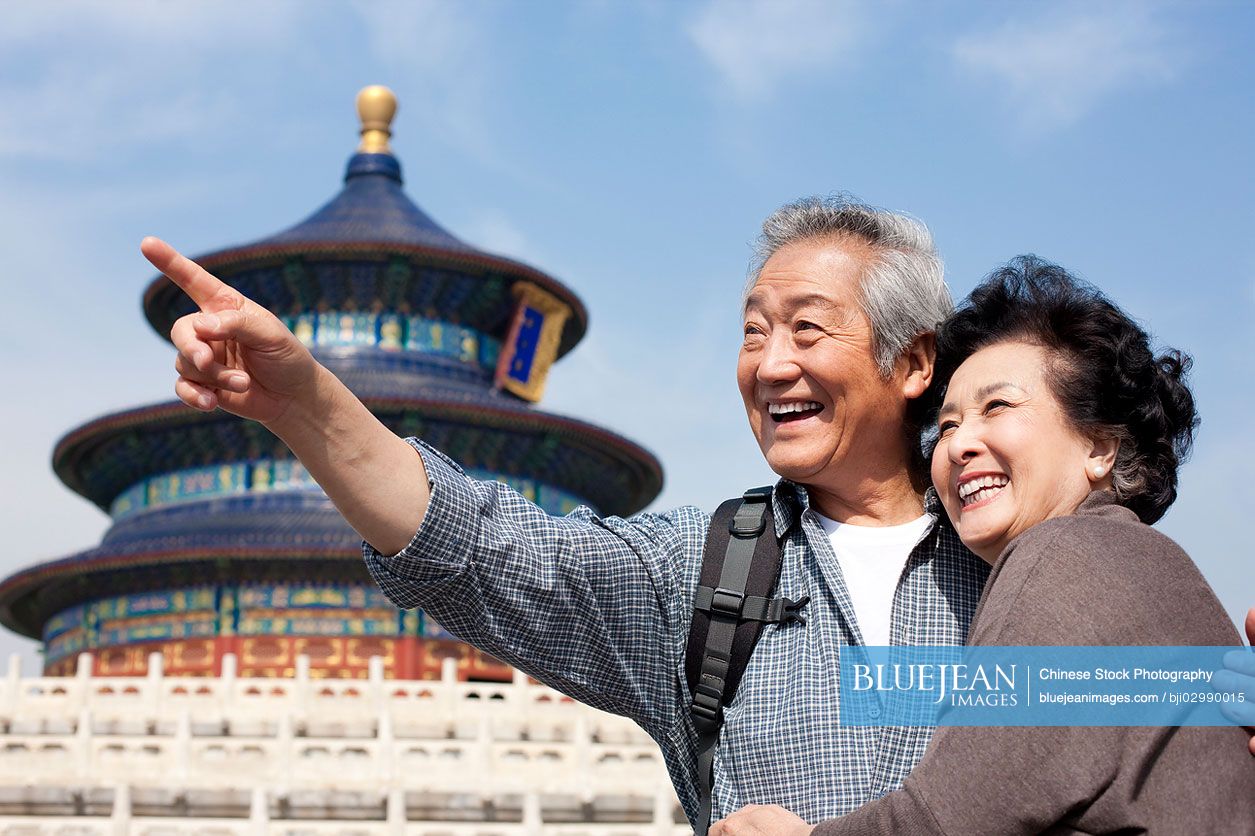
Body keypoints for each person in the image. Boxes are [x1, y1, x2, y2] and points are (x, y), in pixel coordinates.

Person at [142, 196, 1255, 830]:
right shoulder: (704, 570)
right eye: (750, 328)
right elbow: (477, 549)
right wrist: (301, 402)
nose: (769, 363)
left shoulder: (1025, 567)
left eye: (808, 328)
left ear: (912, 357)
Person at [709, 258, 1255, 835]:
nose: (960, 444)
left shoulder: (1067, 552)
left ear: (1099, 446)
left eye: (997, 407)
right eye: (945, 426)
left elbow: (951, 817)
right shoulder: (1139, 566)